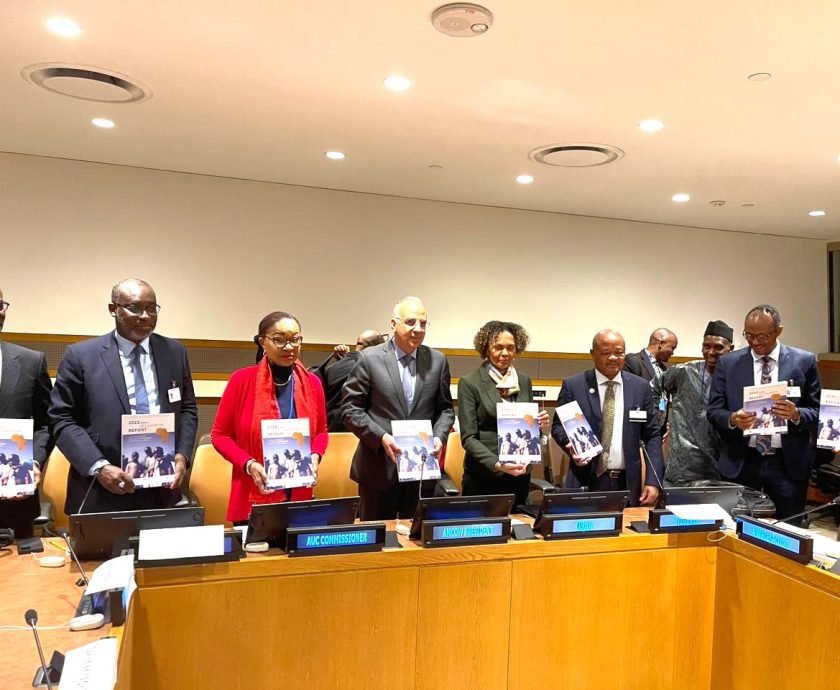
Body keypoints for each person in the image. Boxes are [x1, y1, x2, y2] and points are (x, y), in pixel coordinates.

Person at [49, 278, 198, 514]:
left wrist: (182, 455)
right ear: (113, 309)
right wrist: (99, 467)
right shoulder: (81, 356)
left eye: (151, 308)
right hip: (101, 489)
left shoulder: (174, 352)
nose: (145, 316)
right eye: (135, 308)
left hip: (162, 488)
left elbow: (188, 409)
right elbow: (62, 419)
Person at [342, 296, 455, 520]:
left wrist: (440, 436)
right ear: (393, 324)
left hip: (420, 471)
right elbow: (350, 410)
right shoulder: (369, 359)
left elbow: (445, 409)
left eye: (423, 324)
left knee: (416, 544)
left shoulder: (438, 361)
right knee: (376, 544)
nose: (418, 329)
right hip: (378, 470)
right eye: (411, 322)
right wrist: (381, 436)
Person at [211, 311, 328, 524]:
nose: (289, 346)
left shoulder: (313, 383)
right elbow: (219, 436)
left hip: (299, 489)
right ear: (263, 342)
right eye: (279, 339)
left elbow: (321, 431)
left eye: (295, 339)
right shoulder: (241, 381)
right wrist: (248, 464)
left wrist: (315, 456)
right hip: (254, 491)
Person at [708, 305, 820, 521]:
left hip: (787, 465)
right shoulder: (729, 363)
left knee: (789, 531)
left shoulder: (804, 361)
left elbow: (817, 413)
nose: (755, 342)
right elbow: (713, 411)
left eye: (762, 336)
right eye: (749, 335)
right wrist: (732, 419)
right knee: (734, 530)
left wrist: (796, 414)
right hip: (741, 462)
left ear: (779, 331)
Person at [551, 329, 664, 506]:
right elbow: (558, 427)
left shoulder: (640, 387)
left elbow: (652, 435)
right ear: (592, 354)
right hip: (586, 479)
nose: (613, 358)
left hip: (627, 482)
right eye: (605, 353)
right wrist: (569, 445)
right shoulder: (574, 385)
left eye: (619, 352)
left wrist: (653, 480)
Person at [457, 320, 550, 506]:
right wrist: (498, 464)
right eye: (498, 347)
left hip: (520, 475)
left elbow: (529, 431)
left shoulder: (524, 381)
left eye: (511, 348)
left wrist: (538, 425)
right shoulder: (470, 383)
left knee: (520, 531)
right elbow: (468, 438)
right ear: (486, 348)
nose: (505, 353)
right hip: (484, 477)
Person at [653, 320, 734, 485]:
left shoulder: (736, 376)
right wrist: (660, 417)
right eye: (706, 346)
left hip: (722, 465)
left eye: (718, 347)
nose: (711, 352)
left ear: (730, 349)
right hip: (684, 465)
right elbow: (654, 388)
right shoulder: (685, 371)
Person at [0, 288, 53, 538]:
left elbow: (47, 423)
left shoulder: (31, 360)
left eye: (0, 305)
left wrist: (33, 461)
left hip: (14, 503)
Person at [316, 330, 388, 432]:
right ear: (376, 348)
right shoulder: (373, 369)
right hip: (360, 430)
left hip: (331, 428)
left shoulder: (333, 367)